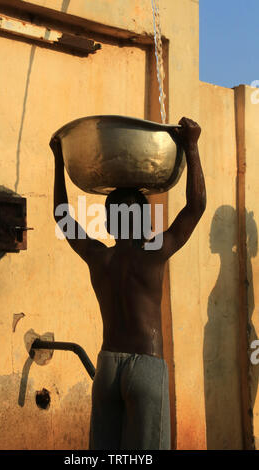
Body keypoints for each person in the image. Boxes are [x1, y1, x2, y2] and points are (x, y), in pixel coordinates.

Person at [50, 117, 206, 450]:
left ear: (109, 220)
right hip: (145, 369)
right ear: (145, 219)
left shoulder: (98, 257)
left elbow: (61, 214)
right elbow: (195, 207)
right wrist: (191, 147)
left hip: (107, 368)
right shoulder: (154, 254)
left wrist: (58, 158)